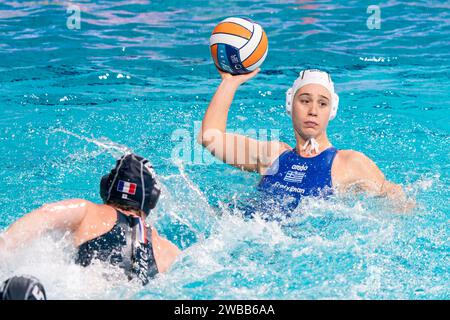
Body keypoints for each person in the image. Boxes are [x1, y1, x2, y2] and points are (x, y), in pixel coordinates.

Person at [197, 68, 415, 213]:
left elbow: (396, 197)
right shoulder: (271, 155)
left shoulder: (349, 163)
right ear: (290, 105)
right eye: (305, 101)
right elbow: (210, 137)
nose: (313, 111)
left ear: (332, 111)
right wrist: (230, 82)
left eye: (322, 104)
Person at [0, 154, 181, 285]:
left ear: (105, 188)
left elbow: (38, 220)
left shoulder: (85, 211)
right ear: (152, 200)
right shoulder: (169, 252)